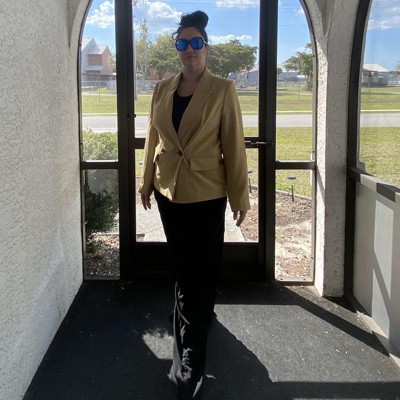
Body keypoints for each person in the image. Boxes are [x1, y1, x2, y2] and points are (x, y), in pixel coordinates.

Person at [139, 10, 250, 399]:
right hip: (169, 192)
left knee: (199, 271)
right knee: (185, 264)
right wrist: (145, 182)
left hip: (206, 193)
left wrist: (240, 195)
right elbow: (153, 138)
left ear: (206, 48)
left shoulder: (222, 89)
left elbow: (234, 145)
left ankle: (191, 359)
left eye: (196, 42)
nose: (189, 49)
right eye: (183, 43)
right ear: (177, 48)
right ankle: (196, 312)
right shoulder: (162, 89)